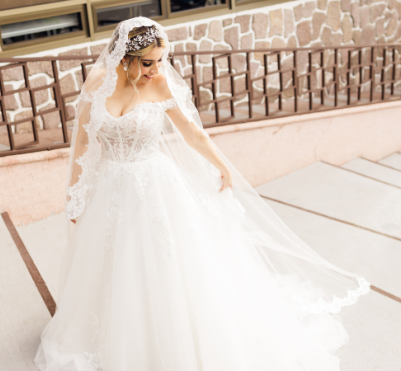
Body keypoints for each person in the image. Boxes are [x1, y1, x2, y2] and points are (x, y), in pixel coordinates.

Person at [35, 16, 370, 371]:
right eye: (147, 62)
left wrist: (222, 164)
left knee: (164, 264)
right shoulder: (97, 82)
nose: (155, 69)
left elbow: (192, 134)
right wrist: (75, 194)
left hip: (155, 187)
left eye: (160, 60)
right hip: (109, 189)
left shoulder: (160, 83)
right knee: (111, 263)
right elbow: (85, 141)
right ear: (123, 57)